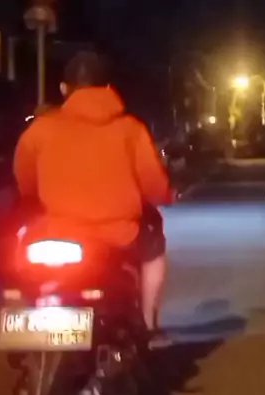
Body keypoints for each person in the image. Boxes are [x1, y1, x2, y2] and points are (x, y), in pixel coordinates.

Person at [13, 51, 173, 340]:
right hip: (119, 234)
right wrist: (166, 195)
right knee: (154, 248)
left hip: (57, 230)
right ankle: (148, 325)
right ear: (108, 88)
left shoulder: (40, 129)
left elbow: (25, 182)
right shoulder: (130, 129)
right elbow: (153, 184)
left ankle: (32, 316)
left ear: (64, 88)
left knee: (22, 256)